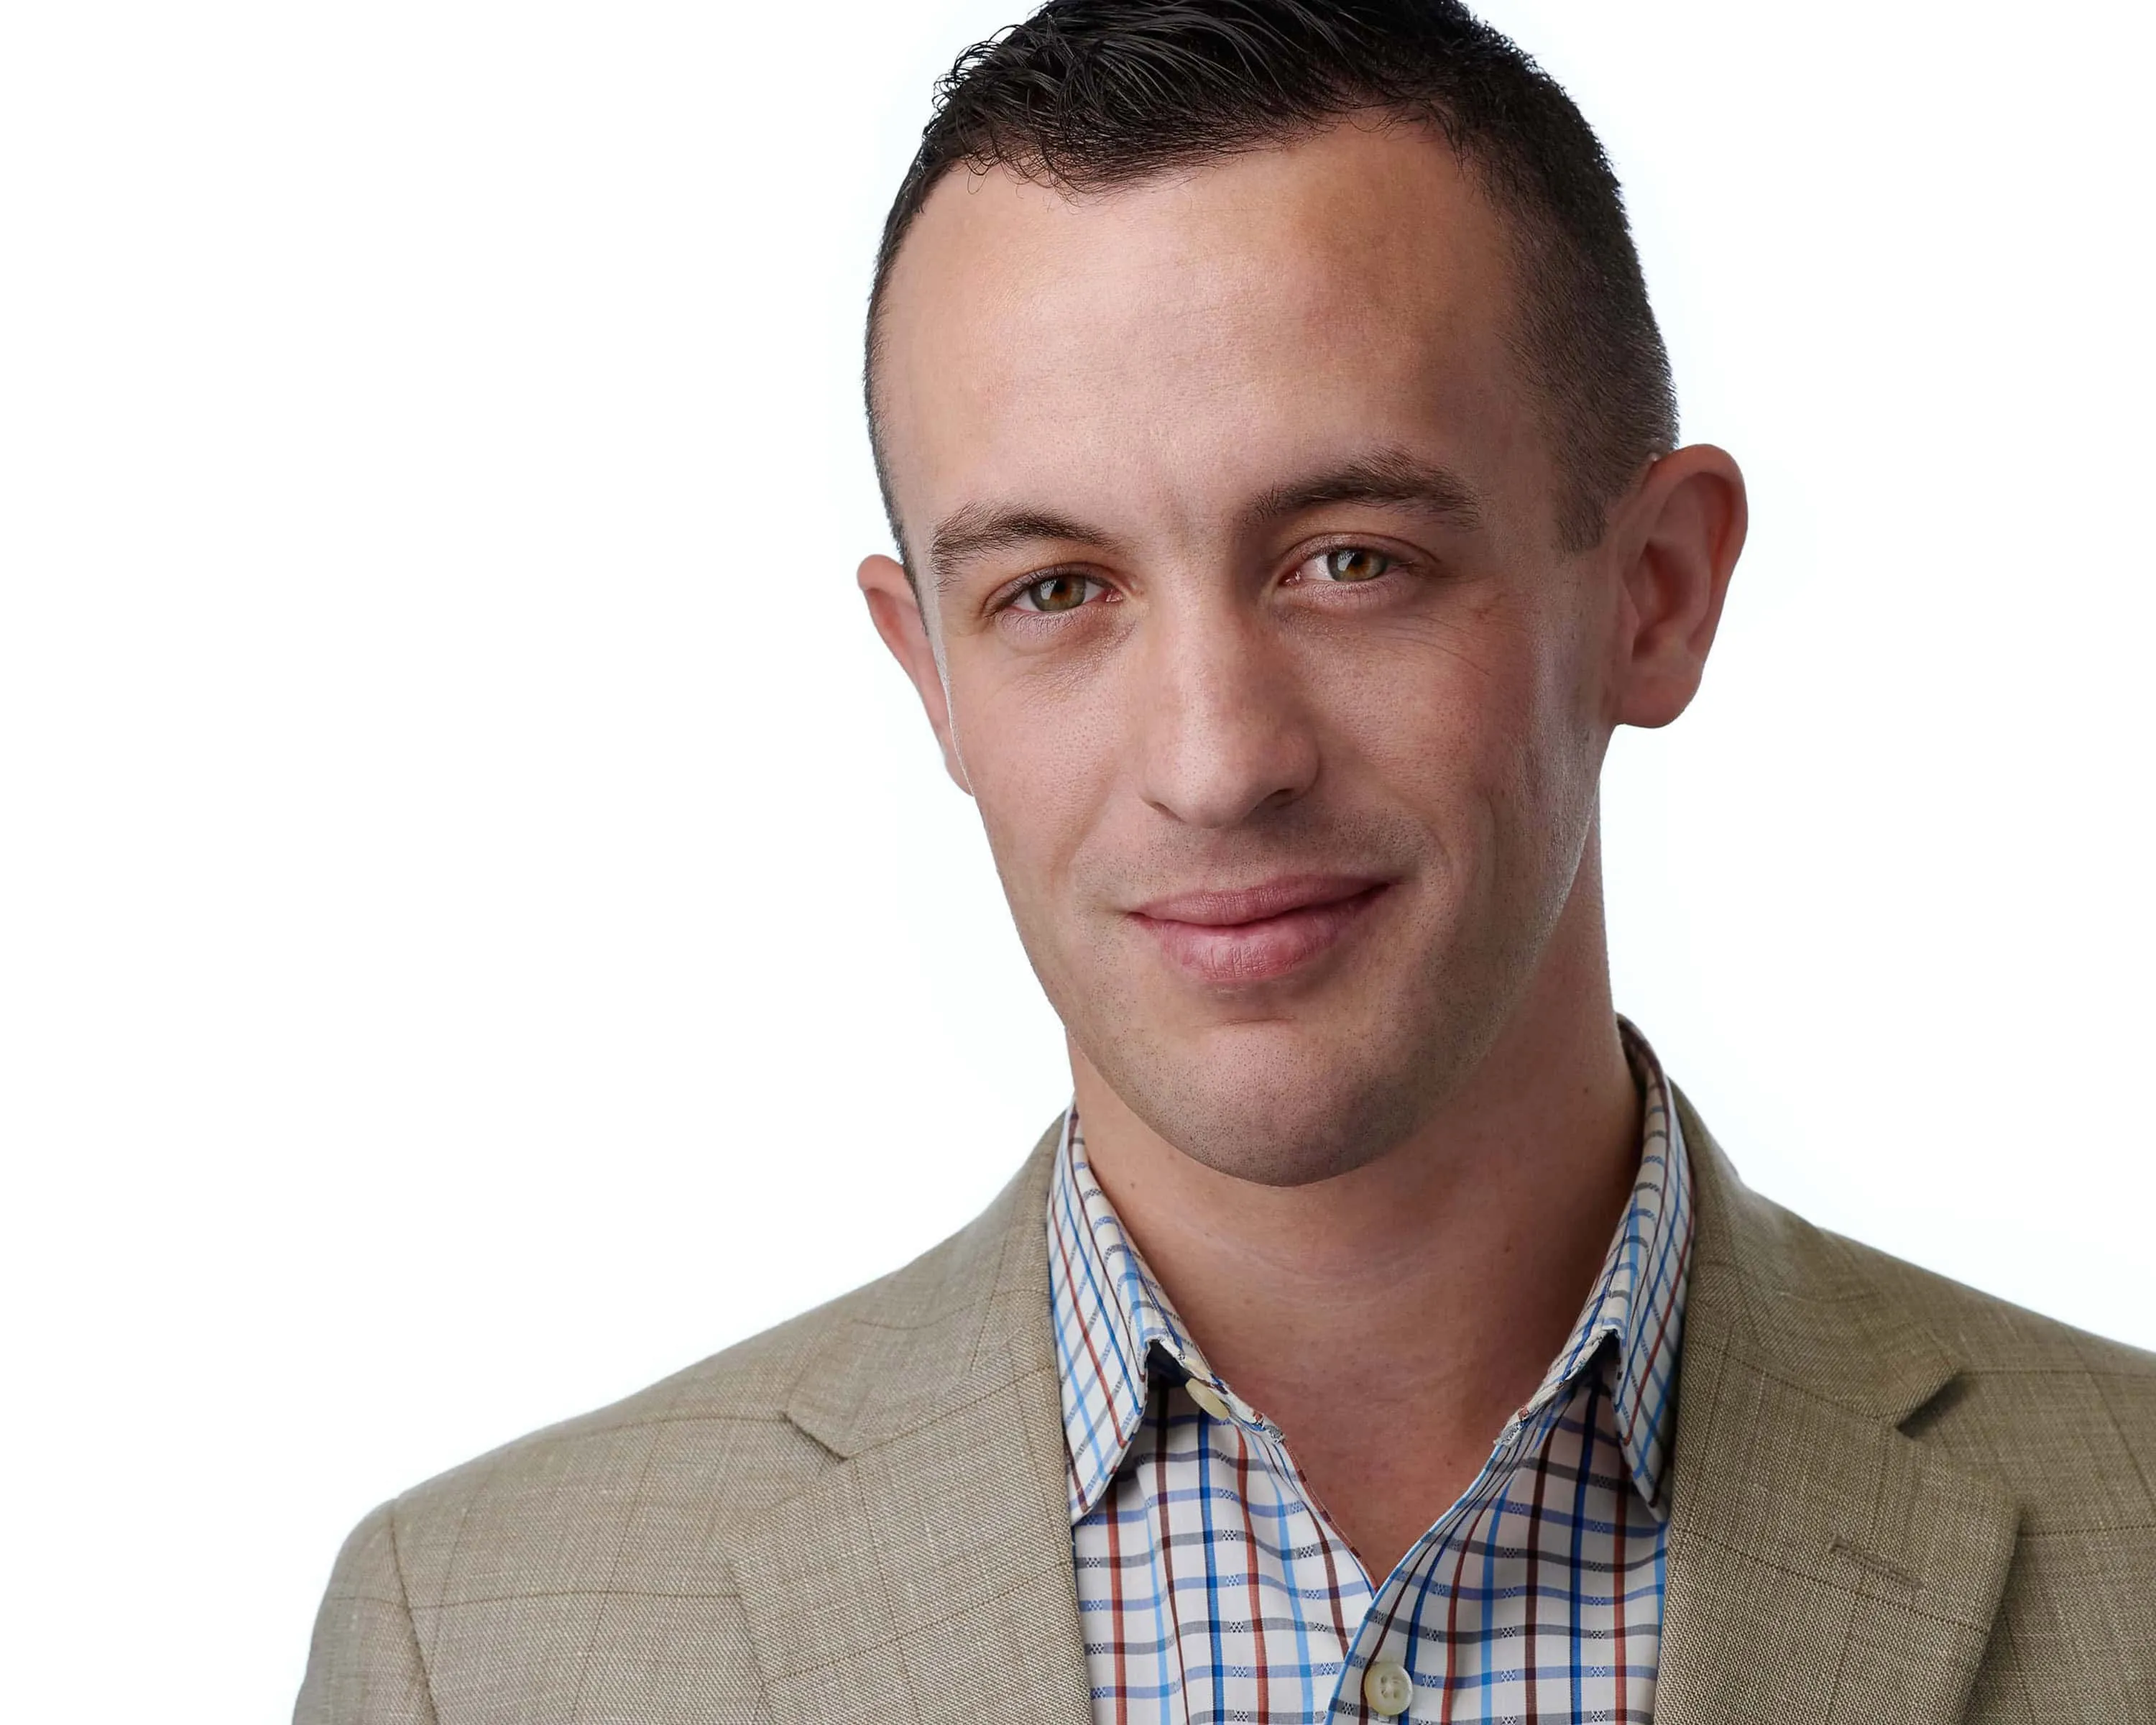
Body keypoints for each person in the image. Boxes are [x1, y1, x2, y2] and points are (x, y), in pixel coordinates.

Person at [295, 2, 2156, 1720]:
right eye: (1053, 591)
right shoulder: (478, 1644)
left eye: (1350, 556)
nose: (1215, 761)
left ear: (1654, 595)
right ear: (928, 675)